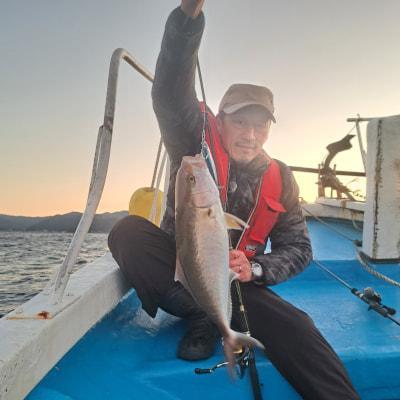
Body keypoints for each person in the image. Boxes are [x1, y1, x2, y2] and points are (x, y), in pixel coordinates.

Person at [108, 1, 360, 398]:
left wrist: (255, 268)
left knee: (300, 329)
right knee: (127, 233)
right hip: (181, 272)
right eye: (240, 122)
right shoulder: (194, 146)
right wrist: (188, 18)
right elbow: (170, 92)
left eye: (260, 125)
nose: (250, 135)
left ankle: (218, 319)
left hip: (236, 286)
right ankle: (201, 314)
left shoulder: (281, 178)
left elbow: (299, 248)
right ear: (220, 120)